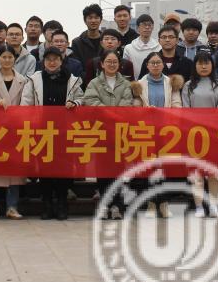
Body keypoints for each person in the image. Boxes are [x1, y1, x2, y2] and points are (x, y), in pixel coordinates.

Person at [22, 47, 82, 220]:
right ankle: (47, 204)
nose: (52, 62)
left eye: (56, 59)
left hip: (65, 131)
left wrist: (75, 103)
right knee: (45, 169)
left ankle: (62, 204)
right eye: (48, 59)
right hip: (42, 131)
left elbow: (81, 98)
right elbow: (26, 103)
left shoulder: (72, 80)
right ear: (43, 61)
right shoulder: (34, 79)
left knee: (64, 169)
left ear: (61, 61)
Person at [83, 50, 134, 219]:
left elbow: (127, 104)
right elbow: (90, 101)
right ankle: (105, 205)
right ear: (102, 64)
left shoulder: (126, 83)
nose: (112, 64)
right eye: (108, 61)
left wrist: (111, 113)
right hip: (101, 131)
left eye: (115, 62)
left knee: (118, 170)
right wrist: (110, 112)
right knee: (103, 170)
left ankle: (117, 205)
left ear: (119, 64)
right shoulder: (94, 83)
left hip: (120, 132)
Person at [0, 47, 30, 220]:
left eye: (10, 57)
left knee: (14, 170)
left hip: (16, 128)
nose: (7, 60)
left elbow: (26, 102)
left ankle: (12, 206)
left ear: (15, 59)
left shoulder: (23, 80)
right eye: (4, 57)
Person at [182, 51, 218, 216]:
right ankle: (199, 207)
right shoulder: (188, 86)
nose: (203, 66)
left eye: (207, 63)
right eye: (200, 63)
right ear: (195, 66)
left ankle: (214, 205)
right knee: (197, 173)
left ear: (212, 65)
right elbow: (185, 111)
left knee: (214, 173)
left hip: (214, 135)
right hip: (194, 135)